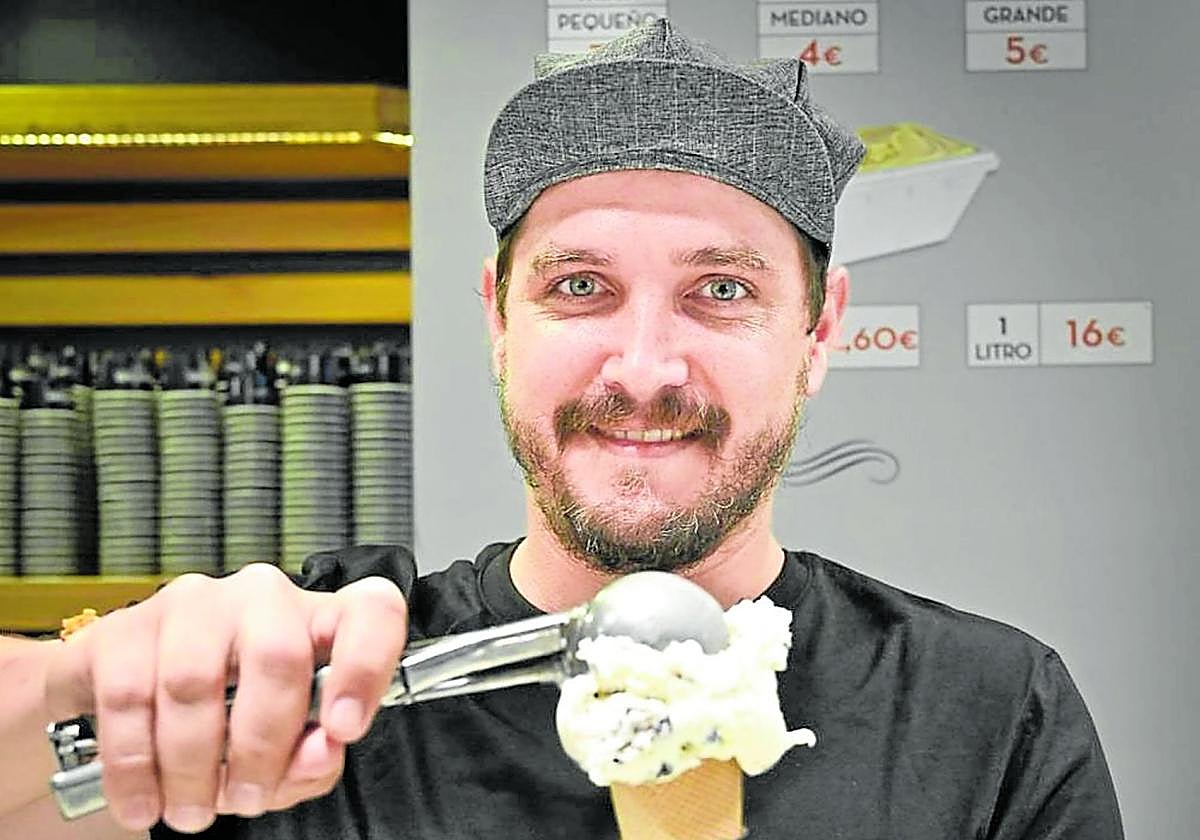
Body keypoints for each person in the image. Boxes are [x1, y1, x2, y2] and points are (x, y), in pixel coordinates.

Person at [0, 19, 1123, 840]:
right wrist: (73, 700)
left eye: (722, 291)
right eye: (579, 287)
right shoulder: (310, 696)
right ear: (497, 317)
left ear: (819, 331)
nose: (644, 369)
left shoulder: (986, 711)